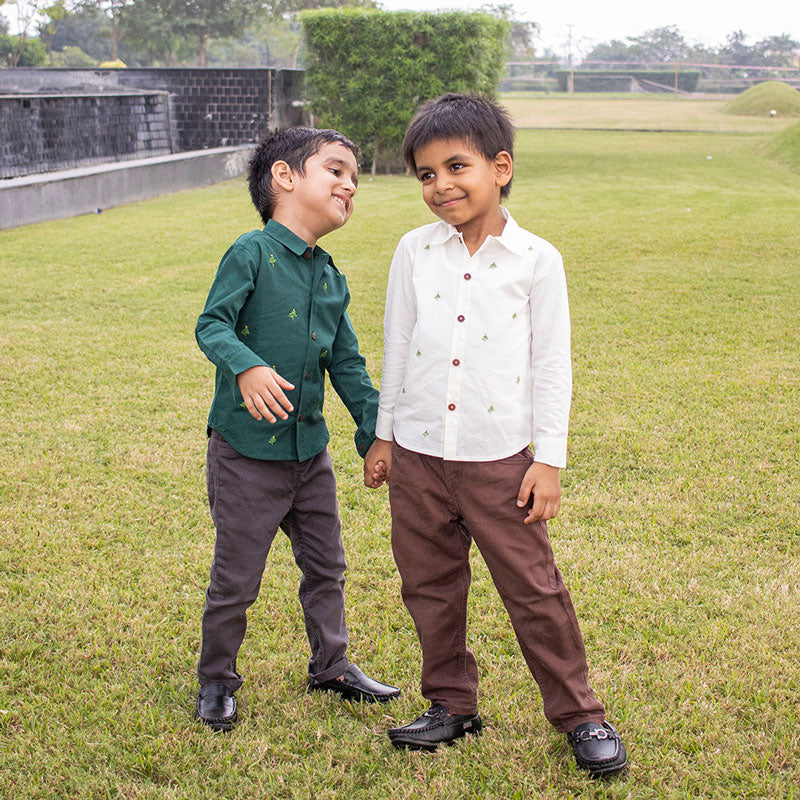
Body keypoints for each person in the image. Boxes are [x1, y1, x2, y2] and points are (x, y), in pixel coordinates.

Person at [364, 94, 627, 778]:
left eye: (457, 166)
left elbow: (551, 365)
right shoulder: (413, 251)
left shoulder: (536, 260)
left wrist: (550, 460)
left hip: (498, 461)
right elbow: (396, 346)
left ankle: (581, 715)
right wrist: (385, 436)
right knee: (428, 585)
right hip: (419, 455)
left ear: (500, 167)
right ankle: (452, 704)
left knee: (533, 589)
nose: (440, 185)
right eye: (425, 174)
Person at [194, 126, 399, 732]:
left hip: (310, 455)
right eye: (335, 170)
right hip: (246, 454)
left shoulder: (331, 276)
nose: (349, 185)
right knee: (237, 577)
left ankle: (331, 665)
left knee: (327, 566)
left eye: (354, 178)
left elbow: (350, 366)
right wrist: (247, 366)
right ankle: (217, 681)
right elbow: (212, 325)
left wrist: (375, 435)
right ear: (285, 177)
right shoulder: (250, 253)